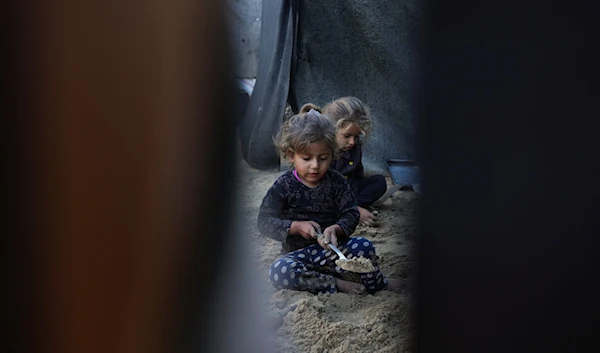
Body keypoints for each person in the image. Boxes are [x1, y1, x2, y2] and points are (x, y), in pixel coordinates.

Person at [257, 106, 401, 294]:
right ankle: (336, 284)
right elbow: (264, 221)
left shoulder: (336, 181)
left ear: (332, 155)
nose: (315, 166)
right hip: (299, 256)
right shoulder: (283, 186)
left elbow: (350, 212)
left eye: (323, 158)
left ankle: (379, 284)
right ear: (291, 155)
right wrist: (296, 227)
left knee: (364, 246)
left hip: (336, 252)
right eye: (307, 158)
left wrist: (337, 228)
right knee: (279, 272)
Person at [322, 96, 387, 226]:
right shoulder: (324, 153)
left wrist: (356, 199)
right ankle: (353, 211)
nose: (352, 142)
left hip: (351, 191)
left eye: (356, 136)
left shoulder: (355, 148)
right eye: (347, 136)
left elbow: (358, 174)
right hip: (330, 196)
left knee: (379, 182)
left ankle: (354, 207)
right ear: (332, 131)